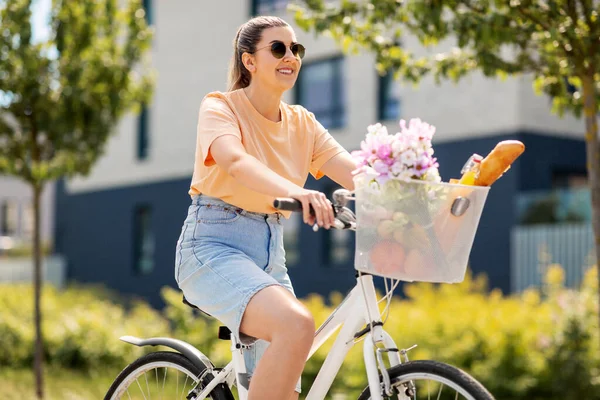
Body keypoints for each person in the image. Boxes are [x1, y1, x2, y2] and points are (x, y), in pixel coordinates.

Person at [174, 15, 357, 400]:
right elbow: (235, 161)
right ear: (249, 61)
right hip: (212, 245)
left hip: (271, 253)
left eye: (296, 49)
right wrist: (299, 192)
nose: (290, 56)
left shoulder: (302, 122)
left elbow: (355, 171)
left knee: (281, 392)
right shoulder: (220, 107)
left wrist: (421, 185)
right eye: (278, 48)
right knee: (296, 325)